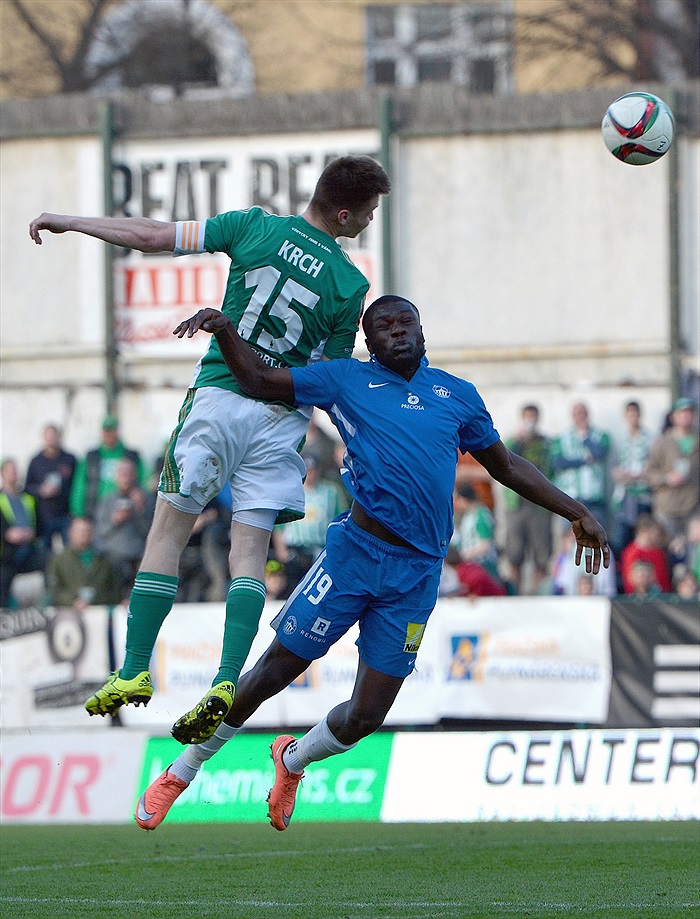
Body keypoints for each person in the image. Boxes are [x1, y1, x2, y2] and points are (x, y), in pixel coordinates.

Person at [133, 295, 609, 833]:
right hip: (354, 556)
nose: (397, 332)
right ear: (369, 341)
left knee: (365, 716)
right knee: (272, 671)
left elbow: (505, 465)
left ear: (421, 331)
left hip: (416, 575)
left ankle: (291, 761)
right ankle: (182, 771)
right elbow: (263, 382)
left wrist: (576, 512)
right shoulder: (345, 380)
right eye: (383, 326)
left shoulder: (457, 395)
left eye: (405, 322)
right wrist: (225, 333)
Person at [30, 154, 391, 737]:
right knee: (248, 555)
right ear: (345, 212)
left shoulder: (255, 226)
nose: (371, 220)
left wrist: (70, 221)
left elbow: (150, 236)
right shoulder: (350, 284)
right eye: (370, 211)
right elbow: (329, 372)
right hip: (279, 420)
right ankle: (226, 680)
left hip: (219, 401)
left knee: (168, 533)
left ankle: (135, 669)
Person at [271, 454, 343, 588]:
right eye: (307, 470)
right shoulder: (289, 491)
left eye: (313, 470)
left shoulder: (331, 492)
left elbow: (339, 520)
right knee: (294, 586)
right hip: (295, 549)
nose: (311, 474)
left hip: (320, 547)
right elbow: (279, 525)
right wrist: (281, 550)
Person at [502, 404, 553, 593]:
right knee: (514, 555)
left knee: (541, 555)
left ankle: (539, 594)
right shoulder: (512, 441)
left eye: (533, 416)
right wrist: (518, 441)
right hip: (516, 503)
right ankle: (515, 594)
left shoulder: (545, 443)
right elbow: (503, 460)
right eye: (527, 416)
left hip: (539, 505)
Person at [645, 398, 699, 559]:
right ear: (673, 417)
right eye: (682, 413)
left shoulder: (697, 441)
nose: (686, 417)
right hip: (666, 509)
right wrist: (666, 478)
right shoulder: (662, 442)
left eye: (689, 413)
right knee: (666, 554)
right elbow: (649, 473)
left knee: (694, 554)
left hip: (693, 508)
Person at [93, 458, 155, 599]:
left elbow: (151, 532)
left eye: (129, 472)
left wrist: (140, 510)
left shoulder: (146, 499)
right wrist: (114, 520)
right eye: (122, 473)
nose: (125, 476)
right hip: (113, 557)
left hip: (139, 557)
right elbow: (99, 531)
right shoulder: (107, 500)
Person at [69, 415, 146, 520]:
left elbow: (145, 479)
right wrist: (78, 513)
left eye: (112, 430)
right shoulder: (91, 456)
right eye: (106, 431)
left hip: (124, 509)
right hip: (95, 510)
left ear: (117, 431)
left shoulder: (131, 455)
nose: (108, 434)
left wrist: (140, 492)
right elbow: (80, 484)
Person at [551, 402, 611, 532]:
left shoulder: (601, 436)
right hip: (570, 498)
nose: (580, 417)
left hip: (594, 497)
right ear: (572, 416)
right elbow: (558, 463)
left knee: (597, 536)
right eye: (577, 414)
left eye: (583, 413)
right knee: (569, 536)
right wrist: (584, 460)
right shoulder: (561, 438)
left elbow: (599, 453)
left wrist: (585, 438)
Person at [0, 458, 48, 608]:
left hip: (28, 550)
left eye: (15, 470)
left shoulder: (28, 498)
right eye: (9, 470)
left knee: (51, 562)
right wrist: (7, 534)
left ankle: (47, 606)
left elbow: (40, 525)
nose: (13, 474)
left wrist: (31, 533)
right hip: (6, 555)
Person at [46, 516, 122, 610]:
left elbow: (115, 590)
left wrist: (95, 600)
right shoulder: (59, 559)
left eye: (87, 530)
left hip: (100, 610)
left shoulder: (104, 560)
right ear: (70, 533)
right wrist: (73, 601)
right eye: (79, 531)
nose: (83, 534)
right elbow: (54, 589)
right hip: (68, 612)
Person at [609, 400, 653, 558]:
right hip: (624, 495)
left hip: (642, 494)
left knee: (641, 536)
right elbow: (613, 467)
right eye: (630, 414)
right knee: (621, 539)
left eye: (636, 414)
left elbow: (653, 465)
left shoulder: (649, 438)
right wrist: (621, 474)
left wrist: (640, 475)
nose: (633, 418)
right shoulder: (620, 439)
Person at [24, 423, 77, 550]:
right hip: (44, 517)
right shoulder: (36, 461)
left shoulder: (69, 459)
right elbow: (27, 487)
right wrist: (41, 490)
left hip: (65, 515)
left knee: (70, 552)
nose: (51, 439)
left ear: (59, 437)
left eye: (54, 436)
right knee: (45, 556)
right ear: (43, 438)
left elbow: (78, 486)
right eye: (48, 436)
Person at [619, 513, 672, 595]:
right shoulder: (631, 553)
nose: (657, 534)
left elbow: (664, 580)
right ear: (644, 531)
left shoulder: (658, 553)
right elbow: (629, 582)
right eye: (654, 531)